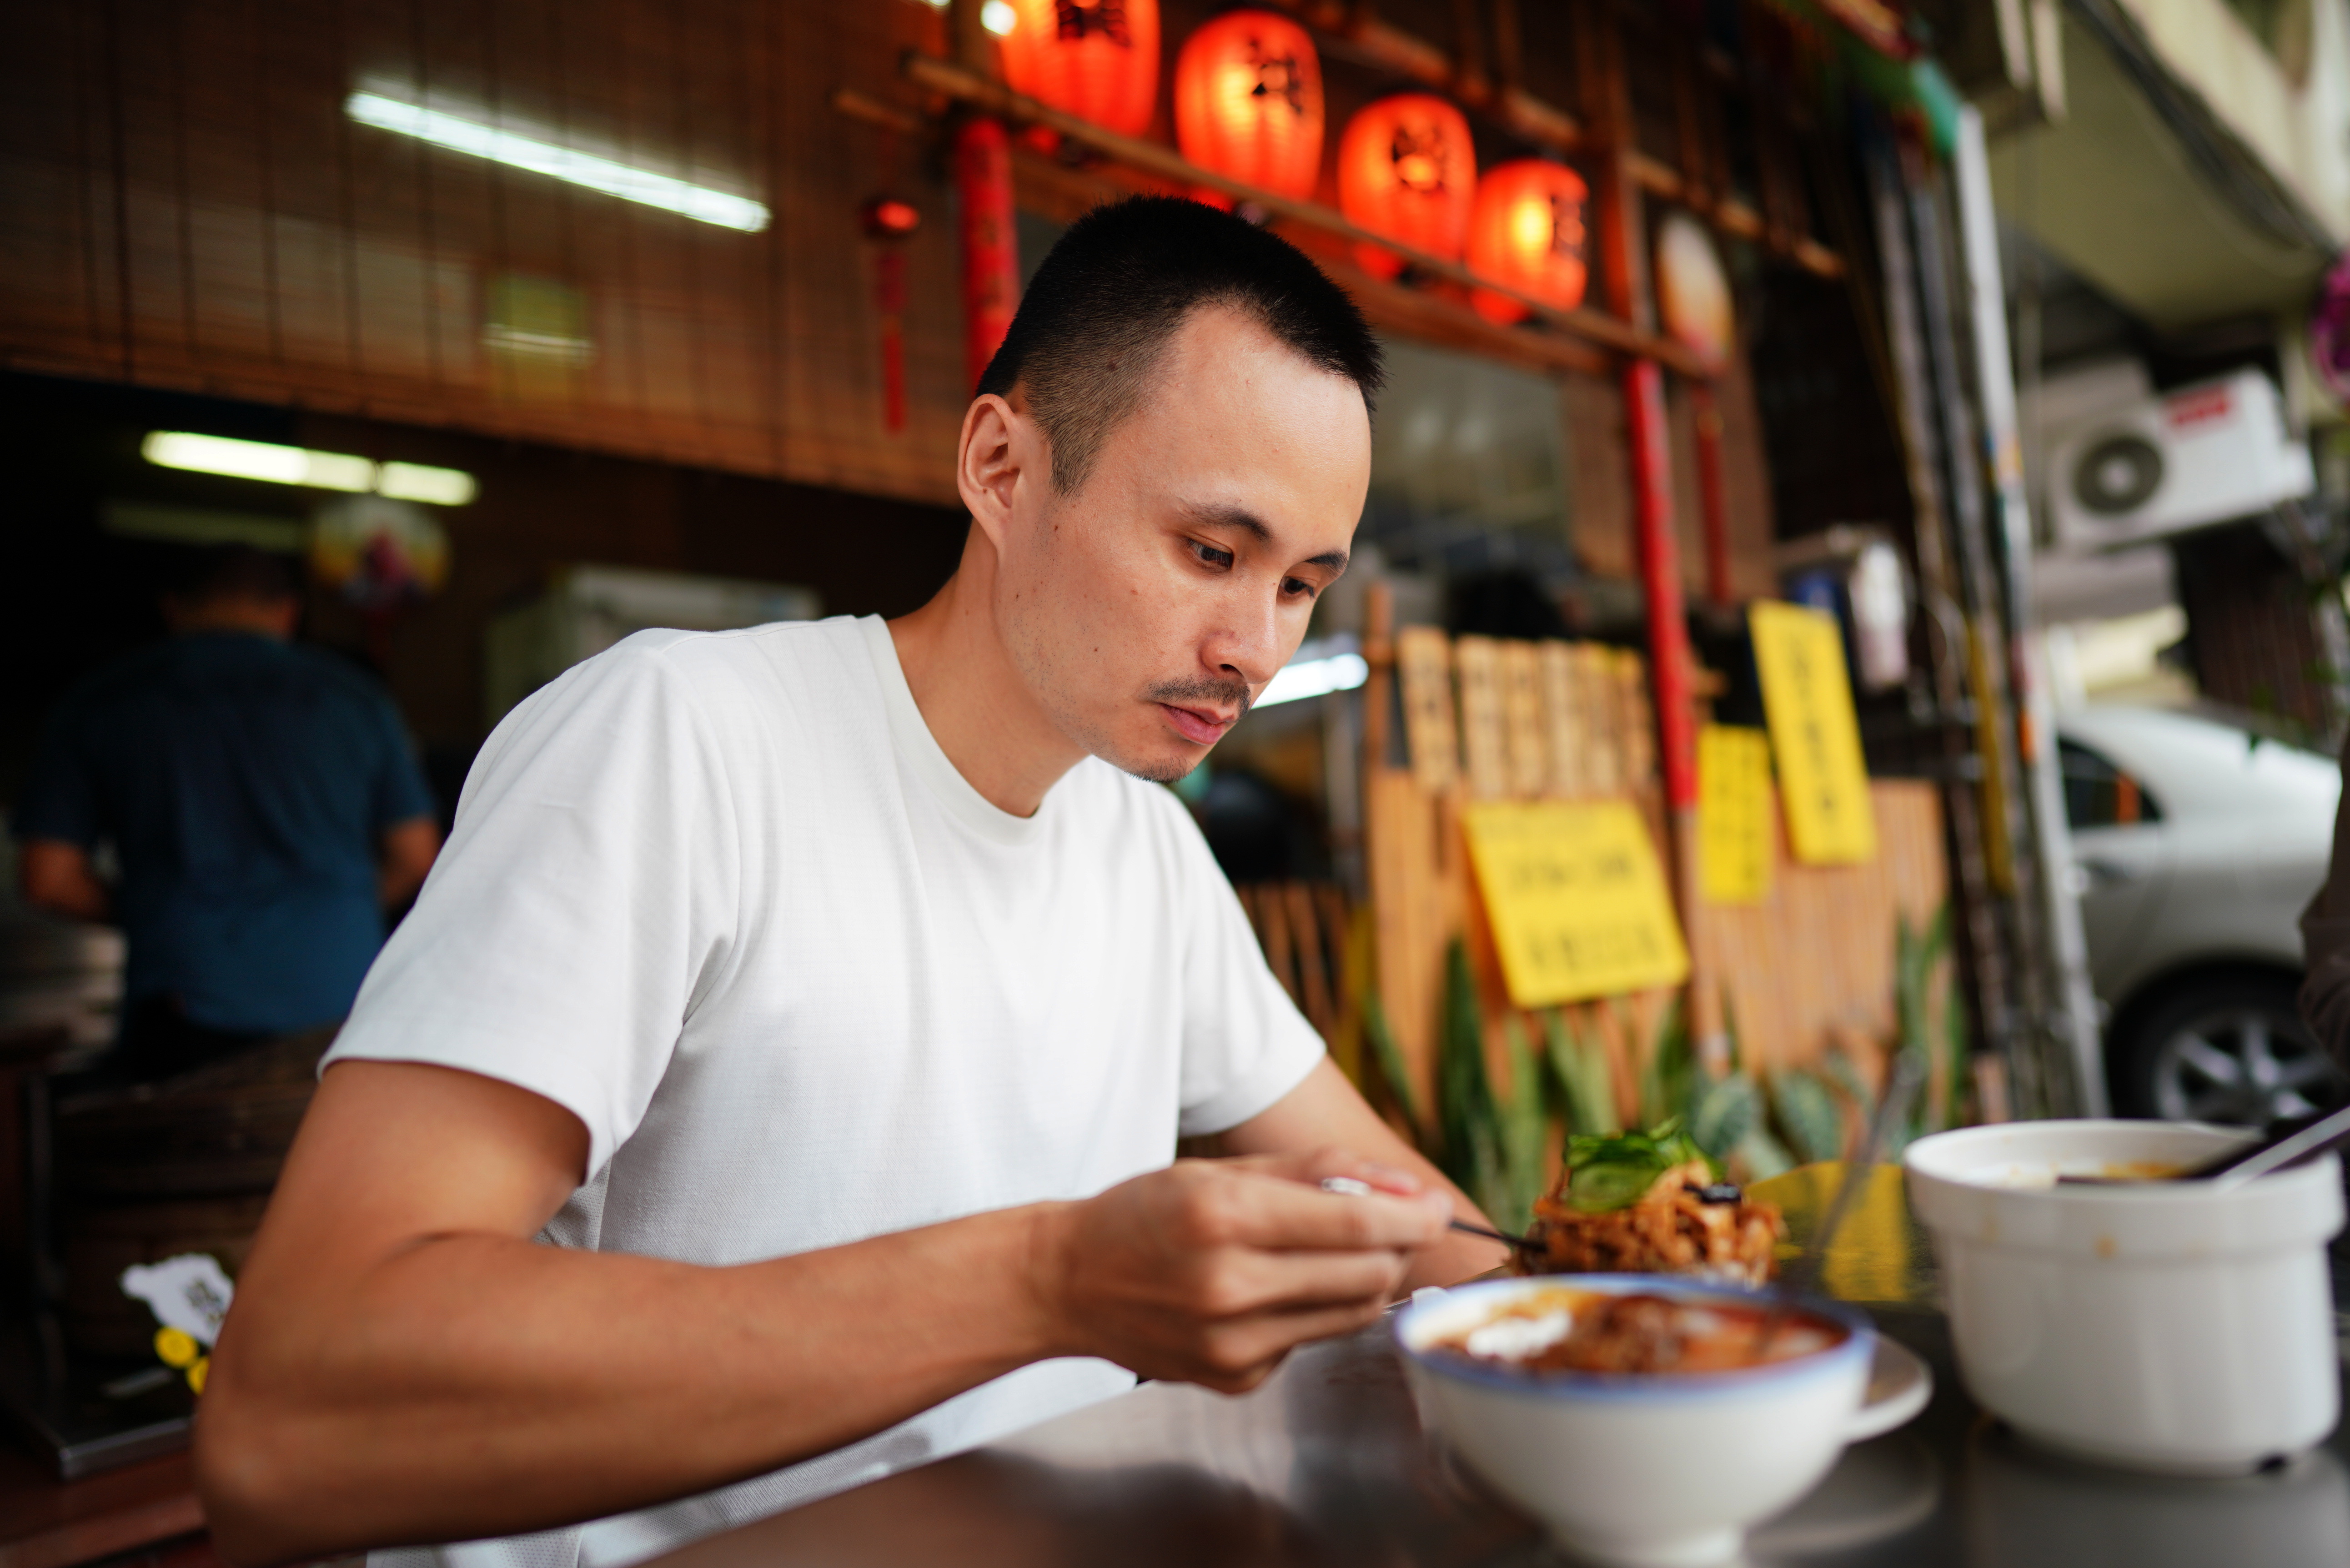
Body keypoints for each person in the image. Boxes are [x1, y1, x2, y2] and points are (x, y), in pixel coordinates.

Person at [195, 196, 1506, 1568]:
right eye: (1210, 551)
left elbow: (1401, 1217)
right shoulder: (680, 741)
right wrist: (1053, 1280)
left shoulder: (1147, 852)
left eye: (1300, 585)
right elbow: (296, 1416)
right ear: (1001, 467)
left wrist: (1637, 1312)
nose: (1253, 647)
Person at [14, 545, 440, 1082]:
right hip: (341, 998)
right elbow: (417, 855)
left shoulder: (103, 702)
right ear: (289, 612)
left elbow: (48, 879)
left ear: (172, 608)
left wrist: (162, 912)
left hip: (186, 996)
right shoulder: (358, 700)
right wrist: (332, 908)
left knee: (188, 1162)